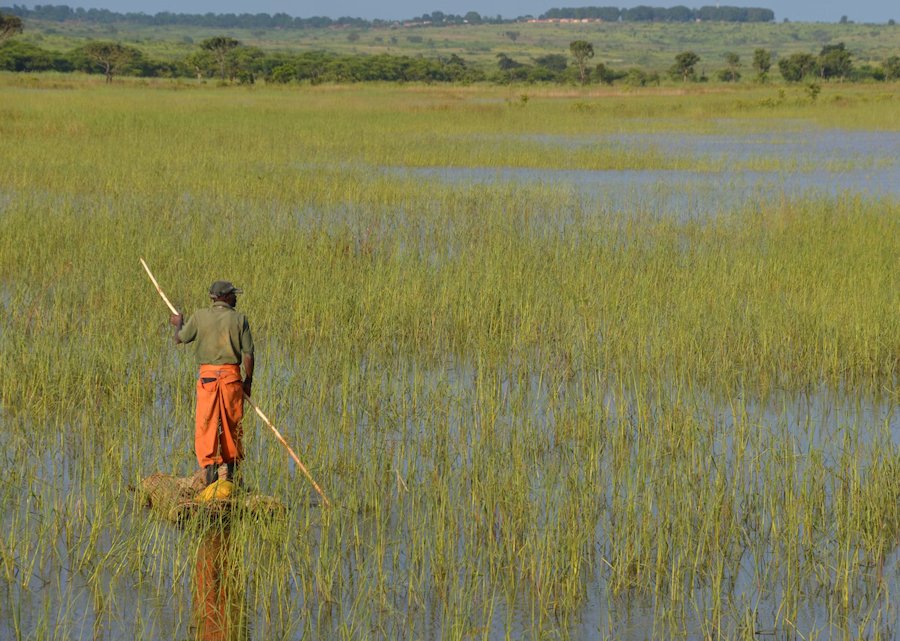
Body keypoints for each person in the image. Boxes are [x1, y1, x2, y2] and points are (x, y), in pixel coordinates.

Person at [170, 280, 254, 487]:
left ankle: (210, 473)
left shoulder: (199, 316)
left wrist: (179, 322)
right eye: (233, 295)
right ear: (223, 297)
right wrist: (248, 381)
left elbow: (180, 338)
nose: (236, 298)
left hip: (207, 380)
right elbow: (248, 354)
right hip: (232, 380)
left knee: (206, 423)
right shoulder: (239, 319)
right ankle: (232, 476)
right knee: (232, 425)